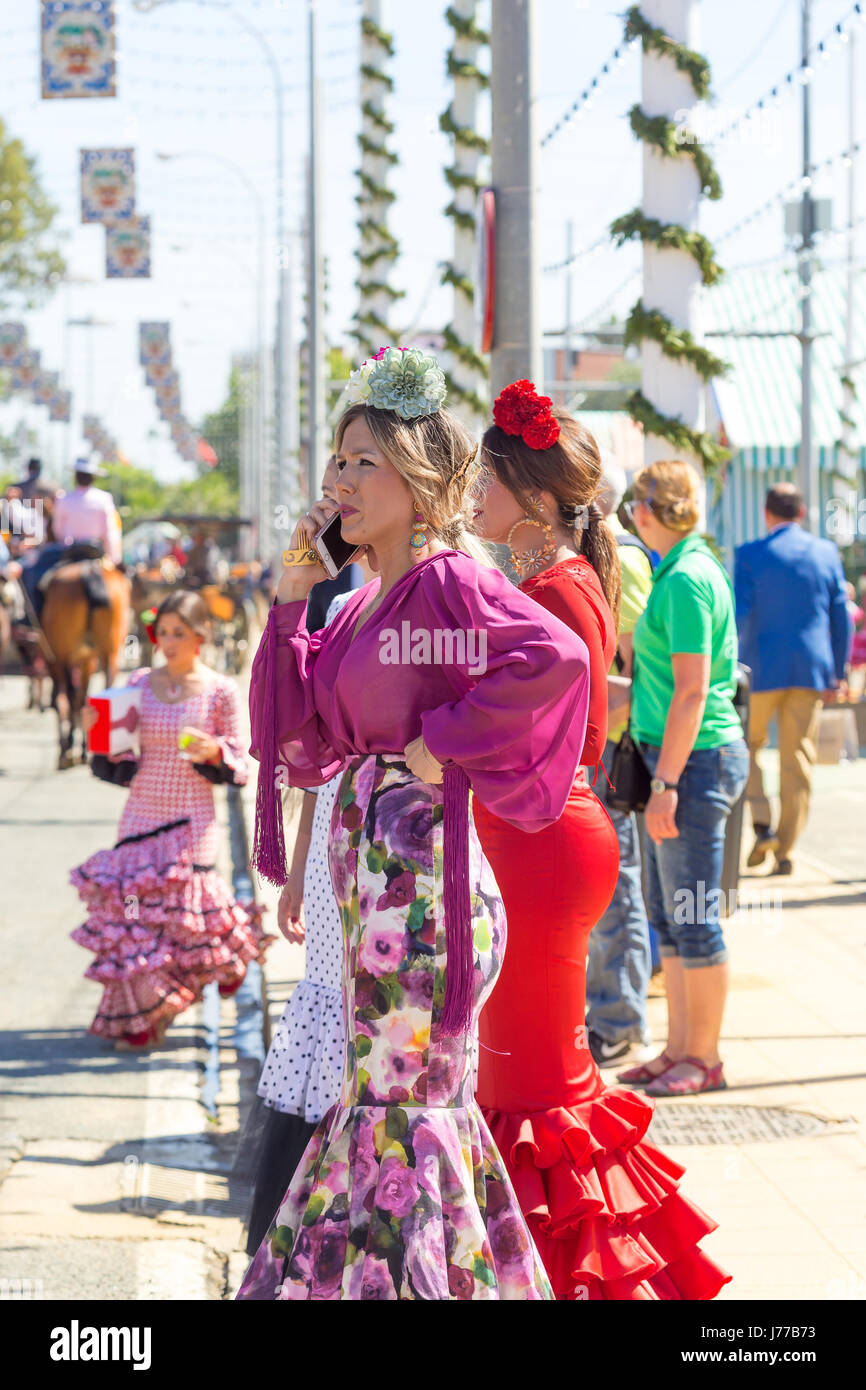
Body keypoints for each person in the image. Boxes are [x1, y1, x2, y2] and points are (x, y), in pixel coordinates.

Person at [237, 346, 591, 1301]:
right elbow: (296, 734)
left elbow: (557, 657)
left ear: (419, 475)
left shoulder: (448, 584)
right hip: (373, 886)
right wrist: (289, 596)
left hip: (423, 889)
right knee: (386, 1103)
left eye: (362, 462)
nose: (338, 481)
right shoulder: (362, 603)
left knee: (404, 1104)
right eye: (336, 463)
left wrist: (448, 738)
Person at [471, 384, 730, 1301]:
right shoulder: (562, 577)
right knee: (525, 1081)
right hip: (540, 838)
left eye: (485, 477)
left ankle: (580, 1278)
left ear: (534, 497)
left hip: (539, 846)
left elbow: (509, 726)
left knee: (532, 1090)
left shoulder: (551, 585)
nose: (470, 492)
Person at [70, 591, 271, 1049]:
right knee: (135, 916)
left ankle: (225, 964)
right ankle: (143, 1015)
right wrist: (93, 731)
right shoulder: (137, 683)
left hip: (192, 823)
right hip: (140, 817)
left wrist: (214, 751)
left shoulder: (221, 690)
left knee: (192, 918)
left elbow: (241, 761)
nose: (170, 641)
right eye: (163, 632)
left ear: (200, 636)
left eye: (180, 632)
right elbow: (116, 758)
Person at [615, 460, 749, 1099]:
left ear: (646, 511)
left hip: (690, 762)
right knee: (670, 914)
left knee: (693, 914)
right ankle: (680, 1049)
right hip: (678, 759)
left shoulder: (687, 578)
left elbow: (693, 692)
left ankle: (705, 1055)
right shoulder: (683, 570)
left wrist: (666, 781)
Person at [735, 483, 851, 875]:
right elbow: (841, 615)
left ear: (767, 514)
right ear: (801, 514)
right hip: (810, 671)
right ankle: (786, 848)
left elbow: (741, 616)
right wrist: (839, 671)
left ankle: (762, 824)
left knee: (746, 749)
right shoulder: (825, 553)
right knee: (797, 760)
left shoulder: (749, 555)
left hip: (759, 669)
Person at [585, 455, 655, 1067]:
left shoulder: (620, 556)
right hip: (603, 739)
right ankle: (613, 1010)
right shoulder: (610, 550)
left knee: (618, 883)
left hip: (614, 744)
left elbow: (632, 665)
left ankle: (620, 1017)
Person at [303, 456, 365, 634]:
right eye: (324, 496)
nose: (319, 509)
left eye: (330, 498)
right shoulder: (326, 575)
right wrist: (295, 586)